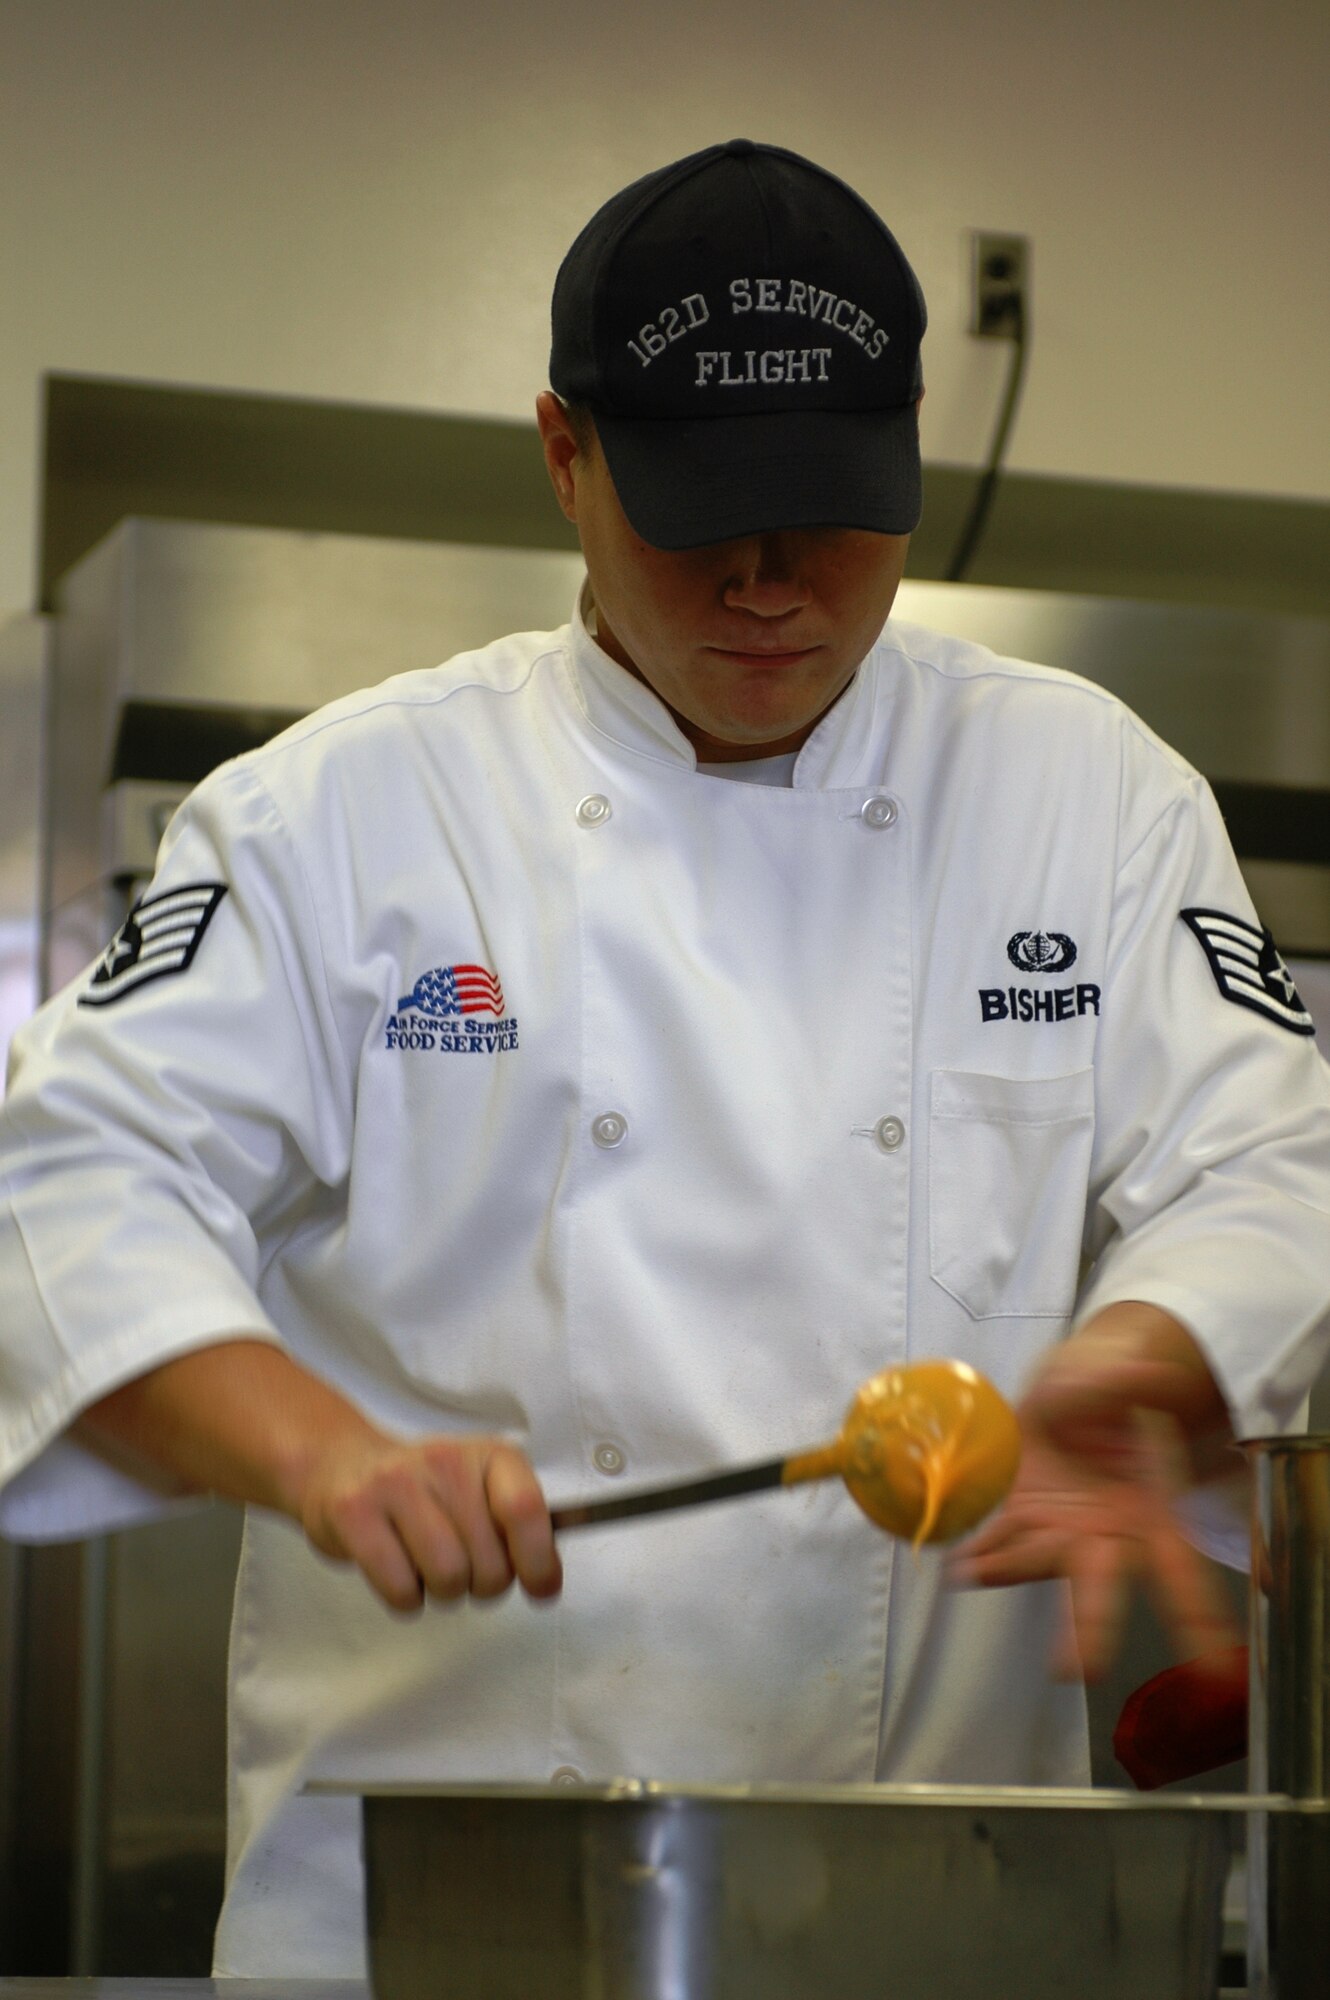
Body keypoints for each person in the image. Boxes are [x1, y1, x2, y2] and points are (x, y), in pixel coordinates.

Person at [2, 138, 1328, 1977]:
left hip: (938, 1933)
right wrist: (320, 1455)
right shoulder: (342, 814)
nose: (773, 584)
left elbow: (1273, 1162)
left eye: (837, 512)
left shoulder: (1085, 794)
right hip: (424, 1941)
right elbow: (69, 1175)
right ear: (565, 453)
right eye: (702, 517)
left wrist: (1145, 1354)